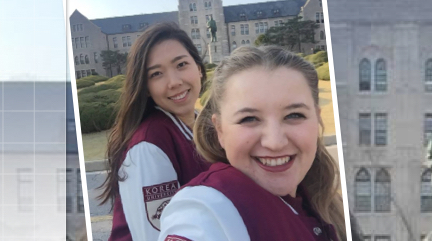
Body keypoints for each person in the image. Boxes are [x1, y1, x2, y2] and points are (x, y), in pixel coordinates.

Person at [157, 46, 346, 241]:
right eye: (249, 119)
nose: (275, 143)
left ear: (317, 119)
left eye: (294, 115)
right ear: (220, 130)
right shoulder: (206, 209)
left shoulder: (325, 201)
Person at [98, 22, 211, 241]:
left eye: (181, 65)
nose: (174, 82)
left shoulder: (205, 125)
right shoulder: (149, 147)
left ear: (198, 67)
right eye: (157, 74)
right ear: (145, 88)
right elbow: (157, 236)